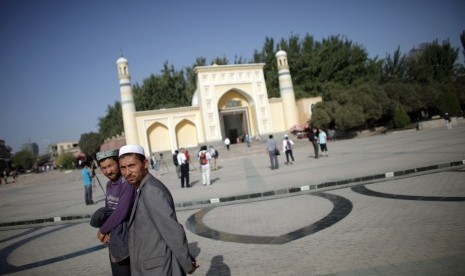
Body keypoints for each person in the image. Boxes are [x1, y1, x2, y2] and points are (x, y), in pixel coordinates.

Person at [118, 144, 199, 275]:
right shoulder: (141, 188)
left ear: (144, 164)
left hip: (160, 269)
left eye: (132, 166)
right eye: (123, 168)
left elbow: (172, 230)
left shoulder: (152, 190)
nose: (128, 172)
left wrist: (187, 263)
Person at [92, 149, 135, 276]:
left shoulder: (127, 183)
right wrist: (107, 233)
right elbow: (108, 212)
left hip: (126, 240)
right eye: (104, 168)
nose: (108, 171)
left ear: (118, 163)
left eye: (110, 166)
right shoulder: (109, 185)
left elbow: (121, 212)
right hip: (114, 239)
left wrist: (102, 230)